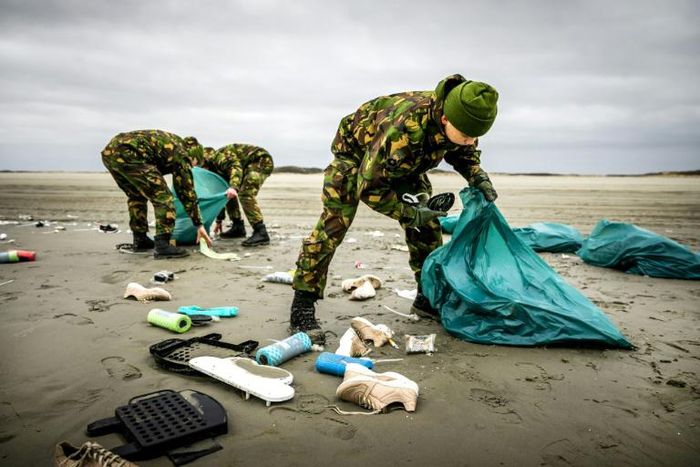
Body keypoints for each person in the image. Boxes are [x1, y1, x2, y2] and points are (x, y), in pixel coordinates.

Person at [289, 74, 499, 344]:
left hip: (406, 164)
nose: (471, 141)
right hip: (355, 159)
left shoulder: (462, 117)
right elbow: (370, 187)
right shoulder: (405, 131)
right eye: (468, 135)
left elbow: (462, 150)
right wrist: (409, 213)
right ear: (446, 119)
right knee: (333, 226)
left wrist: (476, 175)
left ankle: (427, 297)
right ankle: (302, 305)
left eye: (476, 136)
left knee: (428, 225)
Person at [101, 129, 213, 259]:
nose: (193, 167)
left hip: (110, 153)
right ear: (194, 157)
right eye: (195, 164)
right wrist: (199, 224)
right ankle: (162, 245)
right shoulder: (183, 154)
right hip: (131, 154)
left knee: (136, 196)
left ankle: (140, 239)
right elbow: (186, 192)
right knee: (164, 197)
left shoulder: (174, 143)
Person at [202, 144, 274, 247]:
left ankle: (261, 232)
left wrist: (234, 187)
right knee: (228, 193)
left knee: (245, 194)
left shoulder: (218, 158)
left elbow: (236, 167)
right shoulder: (213, 170)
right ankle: (237, 226)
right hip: (246, 166)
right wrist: (219, 219)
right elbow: (221, 193)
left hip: (260, 160)